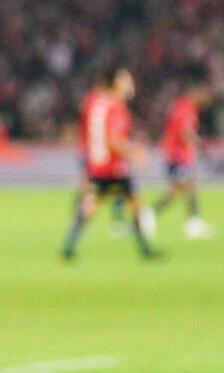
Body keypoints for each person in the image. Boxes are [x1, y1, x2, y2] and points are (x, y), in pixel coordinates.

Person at [63, 68, 158, 261]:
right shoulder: (117, 107)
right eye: (127, 81)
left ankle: (69, 245)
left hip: (97, 163)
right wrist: (136, 153)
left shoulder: (98, 103)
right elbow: (114, 139)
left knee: (92, 203)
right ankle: (146, 250)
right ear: (115, 83)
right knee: (135, 203)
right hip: (113, 166)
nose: (131, 85)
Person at [151, 79, 215, 240]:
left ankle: (191, 222)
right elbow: (184, 132)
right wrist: (199, 143)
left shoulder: (179, 105)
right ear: (197, 93)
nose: (207, 100)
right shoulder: (187, 108)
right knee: (184, 187)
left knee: (182, 188)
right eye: (205, 96)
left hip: (175, 153)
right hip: (178, 154)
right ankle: (191, 224)